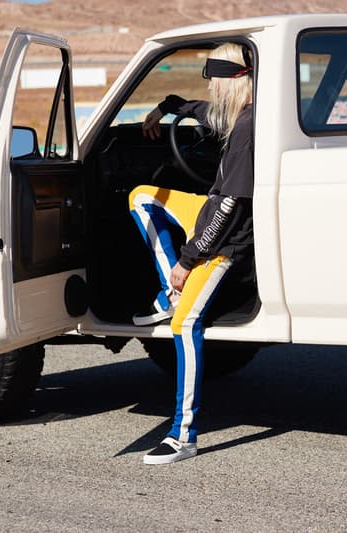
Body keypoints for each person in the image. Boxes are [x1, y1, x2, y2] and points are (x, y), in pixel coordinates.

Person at [128, 42, 255, 464]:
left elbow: (228, 208)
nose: (213, 92)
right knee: (143, 197)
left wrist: (187, 260)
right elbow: (201, 110)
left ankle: (183, 436)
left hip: (225, 242)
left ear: (232, 82)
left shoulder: (248, 129)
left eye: (215, 83)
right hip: (211, 213)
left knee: (184, 327)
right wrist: (166, 107)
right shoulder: (240, 113)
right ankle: (170, 295)